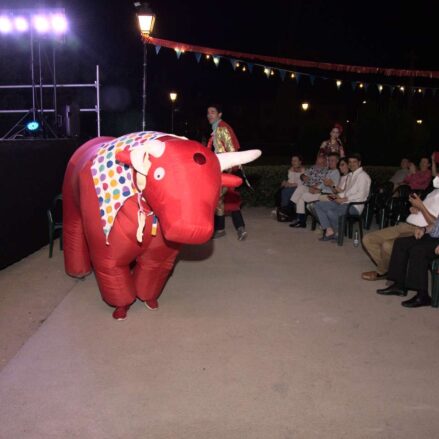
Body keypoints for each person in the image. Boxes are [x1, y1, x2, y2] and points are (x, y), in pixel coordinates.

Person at [361, 179, 439, 280]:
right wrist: (417, 209)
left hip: (419, 231)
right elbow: (427, 210)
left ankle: (383, 271)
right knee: (368, 239)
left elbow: (436, 225)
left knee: (387, 246)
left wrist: (421, 207)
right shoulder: (434, 191)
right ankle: (390, 270)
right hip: (405, 225)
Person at [376, 219, 439, 308]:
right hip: (433, 237)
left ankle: (423, 295)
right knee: (401, 243)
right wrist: (424, 229)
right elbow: (435, 226)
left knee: (418, 251)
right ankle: (399, 285)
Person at [206, 104, 247, 240]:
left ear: (220, 114)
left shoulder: (222, 128)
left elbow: (231, 151)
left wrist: (228, 171)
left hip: (226, 169)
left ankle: (238, 229)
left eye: (212, 112)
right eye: (208, 113)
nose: (209, 115)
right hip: (220, 168)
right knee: (221, 199)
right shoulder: (216, 128)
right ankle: (221, 229)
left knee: (224, 197)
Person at [314, 153, 371, 241]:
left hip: (354, 206)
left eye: (354, 162)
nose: (351, 164)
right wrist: (337, 196)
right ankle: (329, 231)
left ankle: (338, 233)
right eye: (350, 162)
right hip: (343, 202)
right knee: (319, 205)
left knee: (330, 212)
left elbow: (361, 195)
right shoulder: (350, 175)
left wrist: (343, 199)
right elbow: (345, 192)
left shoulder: (363, 176)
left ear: (359, 163)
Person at [288, 154, 328, 228]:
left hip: (316, 190)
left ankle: (299, 218)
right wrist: (303, 177)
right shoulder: (313, 168)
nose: (318, 165)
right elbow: (303, 175)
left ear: (325, 163)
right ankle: (300, 219)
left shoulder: (326, 171)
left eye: (321, 163)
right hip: (308, 187)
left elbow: (323, 183)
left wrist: (315, 187)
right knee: (300, 188)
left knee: (301, 196)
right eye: (317, 162)